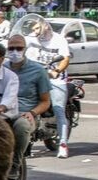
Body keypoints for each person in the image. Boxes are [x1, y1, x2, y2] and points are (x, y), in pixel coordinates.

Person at [5, 33, 51, 177]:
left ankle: (15, 165)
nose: (15, 51)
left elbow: (46, 101)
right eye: (11, 48)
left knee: (21, 126)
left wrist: (32, 113)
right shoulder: (2, 69)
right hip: (3, 112)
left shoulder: (38, 71)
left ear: (25, 49)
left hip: (25, 114)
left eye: (19, 48)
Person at [26, 18, 71, 158]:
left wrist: (56, 71)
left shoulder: (59, 40)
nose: (34, 32)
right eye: (33, 29)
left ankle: (63, 144)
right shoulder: (31, 39)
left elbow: (65, 58)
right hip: (37, 76)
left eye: (37, 28)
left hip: (55, 78)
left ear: (45, 27)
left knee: (58, 109)